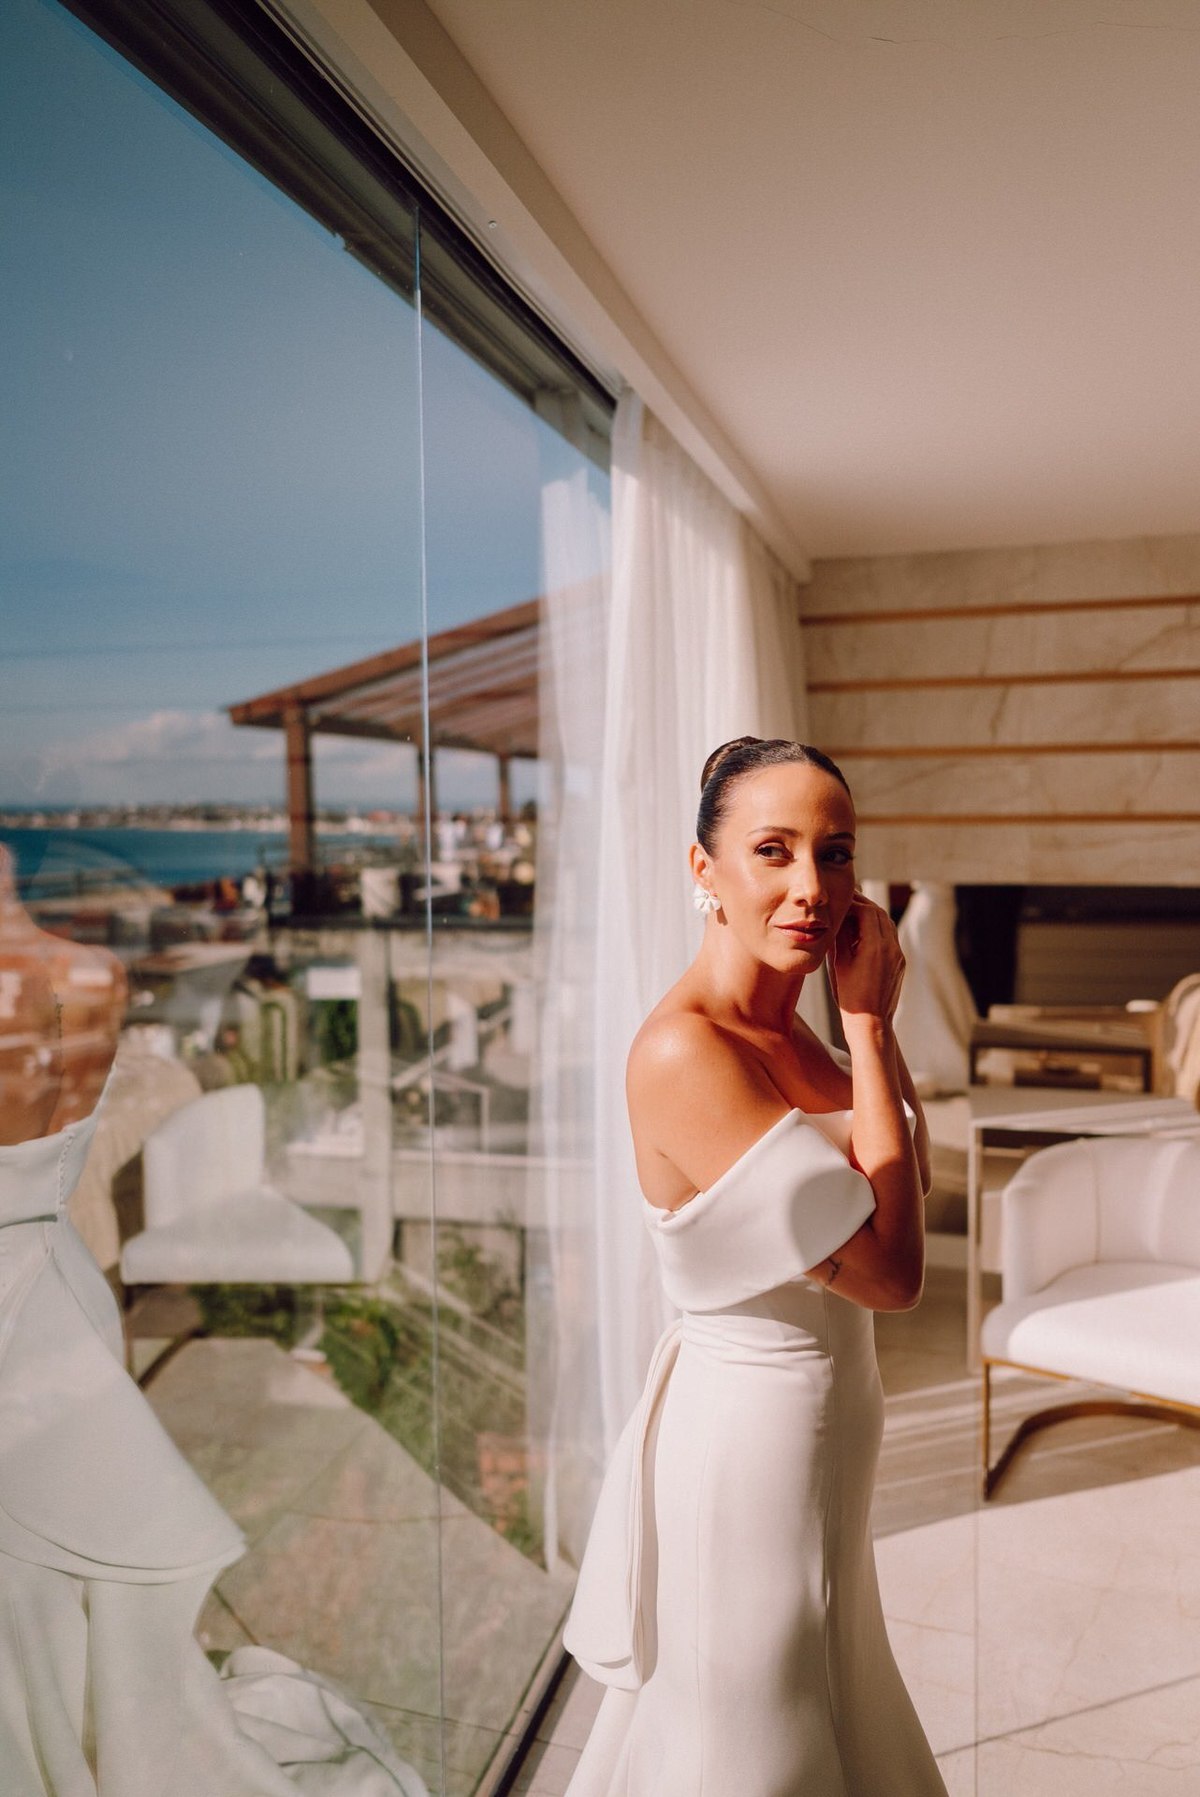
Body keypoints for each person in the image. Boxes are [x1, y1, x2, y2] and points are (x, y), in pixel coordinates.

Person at [562, 738, 949, 1796]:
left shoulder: (802, 1040)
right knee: (754, 1738)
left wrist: (870, 1031)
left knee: (837, 1693)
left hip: (830, 1431)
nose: (811, 887)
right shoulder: (686, 1053)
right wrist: (866, 1025)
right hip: (750, 1451)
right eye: (773, 850)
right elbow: (892, 1274)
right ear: (705, 869)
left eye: (836, 853)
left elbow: (907, 1173)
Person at [0, 844, 427, 1796]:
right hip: (58, 1282)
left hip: (22, 1300)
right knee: (49, 1565)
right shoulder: (93, 973)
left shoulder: (63, 978)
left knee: (31, 1568)